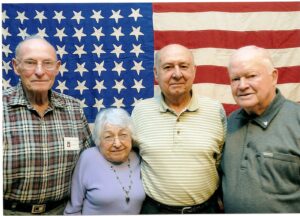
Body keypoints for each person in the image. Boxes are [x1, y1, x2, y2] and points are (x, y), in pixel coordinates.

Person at [3, 35, 94, 215]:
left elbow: (90, 163)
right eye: (30, 63)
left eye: (47, 63)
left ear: (57, 67)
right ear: (16, 66)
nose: (39, 71)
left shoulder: (74, 109)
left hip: (64, 211)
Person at [131, 44, 227, 214]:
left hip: (206, 209)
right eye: (168, 67)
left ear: (194, 71)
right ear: (155, 74)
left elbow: (220, 159)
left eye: (183, 66)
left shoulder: (214, 110)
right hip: (154, 210)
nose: (177, 74)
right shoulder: (140, 112)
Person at [221, 45, 300, 213]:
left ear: (273, 77)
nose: (242, 86)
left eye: (251, 76)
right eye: (235, 79)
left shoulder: (297, 120)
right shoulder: (230, 122)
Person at [64, 108, 145, 215]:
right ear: (98, 140)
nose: (117, 143)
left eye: (123, 135)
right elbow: (73, 210)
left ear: (131, 137)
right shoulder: (88, 158)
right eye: (108, 137)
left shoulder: (138, 157)